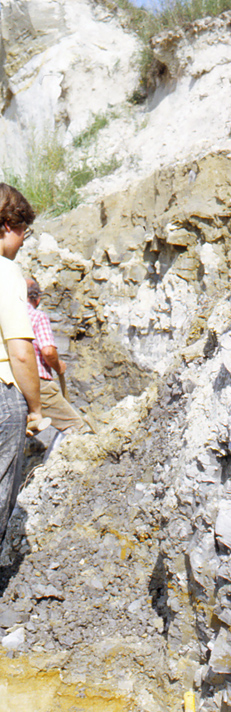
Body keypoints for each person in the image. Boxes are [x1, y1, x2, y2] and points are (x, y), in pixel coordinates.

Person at [0, 183, 42, 548]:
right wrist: (35, 407)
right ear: (7, 226)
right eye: (23, 230)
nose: (24, 240)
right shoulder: (6, 271)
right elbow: (21, 351)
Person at [25, 277, 86, 454]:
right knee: (74, 425)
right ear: (37, 299)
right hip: (38, 384)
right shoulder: (37, 316)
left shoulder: (7, 316)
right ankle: (55, 474)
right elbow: (48, 352)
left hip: (11, 383)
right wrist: (58, 366)